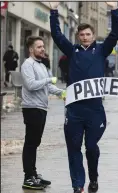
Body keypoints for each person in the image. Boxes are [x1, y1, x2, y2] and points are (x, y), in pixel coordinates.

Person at [49, 2, 118, 193]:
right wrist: (53, 11)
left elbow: (115, 35)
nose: (85, 37)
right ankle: (78, 185)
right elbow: (57, 35)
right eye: (81, 35)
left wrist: (114, 10)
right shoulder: (72, 51)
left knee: (91, 147)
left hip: (95, 109)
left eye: (88, 34)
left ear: (93, 36)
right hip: (74, 110)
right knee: (73, 149)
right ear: (78, 37)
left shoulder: (102, 50)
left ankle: (94, 178)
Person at [20, 36, 65, 190]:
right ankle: (28, 177)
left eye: (43, 46)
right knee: (31, 143)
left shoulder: (42, 65)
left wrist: (63, 93)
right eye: (39, 47)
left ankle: (33, 174)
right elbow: (31, 85)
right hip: (31, 108)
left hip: (41, 108)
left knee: (35, 142)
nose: (43, 49)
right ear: (31, 49)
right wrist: (48, 80)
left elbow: (49, 87)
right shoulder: (28, 64)